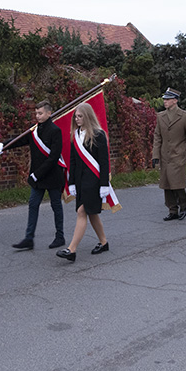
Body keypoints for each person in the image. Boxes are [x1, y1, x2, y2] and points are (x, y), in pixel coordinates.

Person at [3, 100, 66, 250]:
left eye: (40, 113)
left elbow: (53, 157)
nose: (37, 116)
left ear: (49, 113)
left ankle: (60, 236)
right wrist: (4, 145)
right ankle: (29, 238)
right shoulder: (34, 130)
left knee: (56, 205)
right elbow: (20, 140)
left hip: (51, 175)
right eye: (36, 113)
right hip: (37, 177)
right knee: (33, 205)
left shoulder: (55, 131)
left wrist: (37, 174)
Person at [56, 103, 110, 262]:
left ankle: (71, 250)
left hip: (93, 180)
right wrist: (71, 182)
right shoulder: (76, 134)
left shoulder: (98, 135)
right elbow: (72, 161)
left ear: (88, 116)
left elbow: (104, 162)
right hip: (80, 181)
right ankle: (104, 242)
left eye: (80, 116)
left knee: (82, 211)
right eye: (76, 117)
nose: (77, 119)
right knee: (92, 213)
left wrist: (104, 184)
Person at [152, 88, 186, 220]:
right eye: (164, 99)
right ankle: (172, 209)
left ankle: (183, 205)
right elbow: (157, 137)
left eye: (168, 99)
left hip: (177, 154)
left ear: (175, 101)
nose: (165, 102)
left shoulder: (184, 116)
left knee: (177, 183)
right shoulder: (160, 116)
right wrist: (155, 156)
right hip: (165, 156)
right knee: (166, 184)